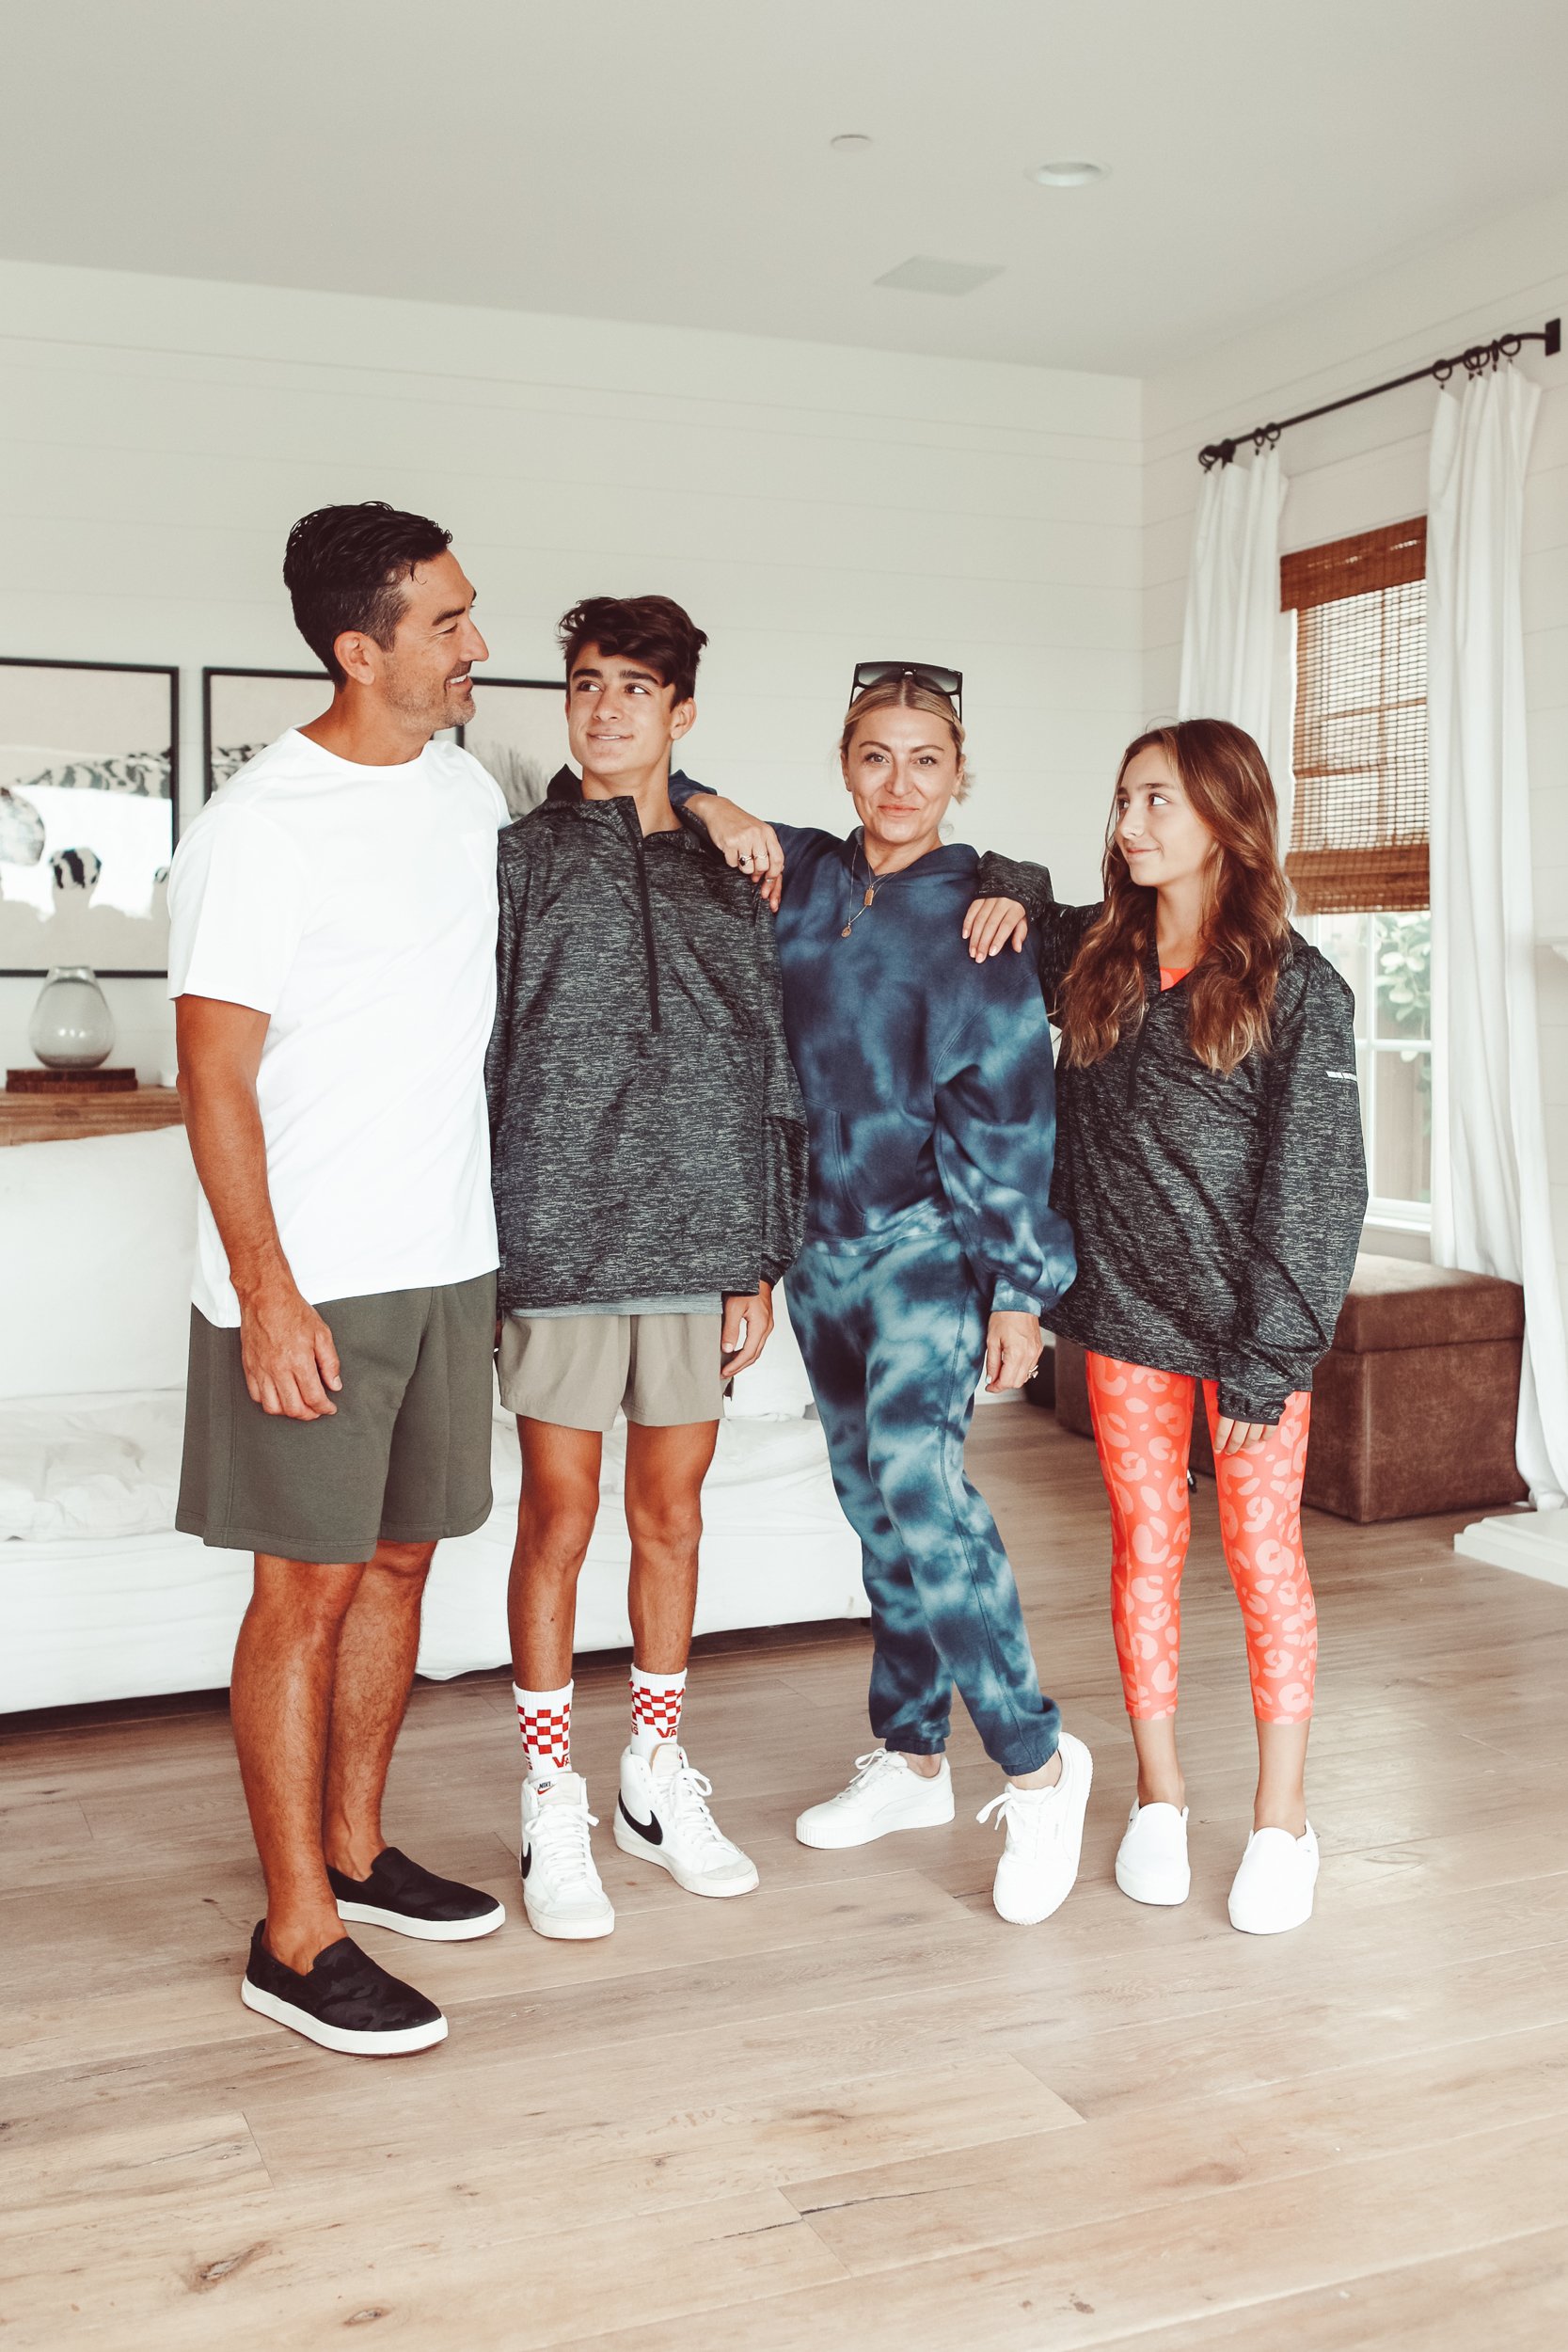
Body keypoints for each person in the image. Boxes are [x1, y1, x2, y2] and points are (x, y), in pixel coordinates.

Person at [666, 664, 1091, 1929]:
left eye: (924, 760)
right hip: (819, 1256)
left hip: (930, 1252)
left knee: (923, 1489)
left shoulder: (984, 921)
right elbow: (659, 785)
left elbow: (1011, 1119)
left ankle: (1037, 1759)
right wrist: (718, 806)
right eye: (873, 757)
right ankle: (911, 1759)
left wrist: (1019, 1292)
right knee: (875, 1513)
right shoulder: (795, 876)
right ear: (843, 765)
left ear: (961, 775)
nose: (898, 783)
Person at [168, 502, 509, 2057]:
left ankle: (359, 1855)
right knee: (299, 1593)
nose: (475, 648)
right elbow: (214, 1077)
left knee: (400, 1567)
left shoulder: (461, 793)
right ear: (356, 648)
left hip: (447, 1256)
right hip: (314, 1277)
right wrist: (267, 1291)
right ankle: (292, 1931)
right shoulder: (260, 827)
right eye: (447, 625)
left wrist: (708, 815)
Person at [965, 718, 1367, 1934]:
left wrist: (1272, 1354)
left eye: (1157, 804)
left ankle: (1283, 1823)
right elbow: (1014, 888)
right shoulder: (1093, 956)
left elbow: (1319, 1189)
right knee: (1144, 1548)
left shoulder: (1303, 990)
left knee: (1261, 1564)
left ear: (1225, 825)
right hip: (1128, 1323)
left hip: (1252, 1343)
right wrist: (991, 888)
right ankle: (1157, 1796)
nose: (1129, 824)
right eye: (1125, 800)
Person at [486, 595, 808, 1942]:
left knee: (671, 1518)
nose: (604, 708)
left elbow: (766, 1069)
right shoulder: (514, 856)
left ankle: (652, 1773)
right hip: (559, 1234)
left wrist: (761, 1253)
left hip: (700, 1239)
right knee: (559, 1517)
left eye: (633, 688)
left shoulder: (737, 872)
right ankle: (548, 1791)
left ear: (682, 713)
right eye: (583, 684)